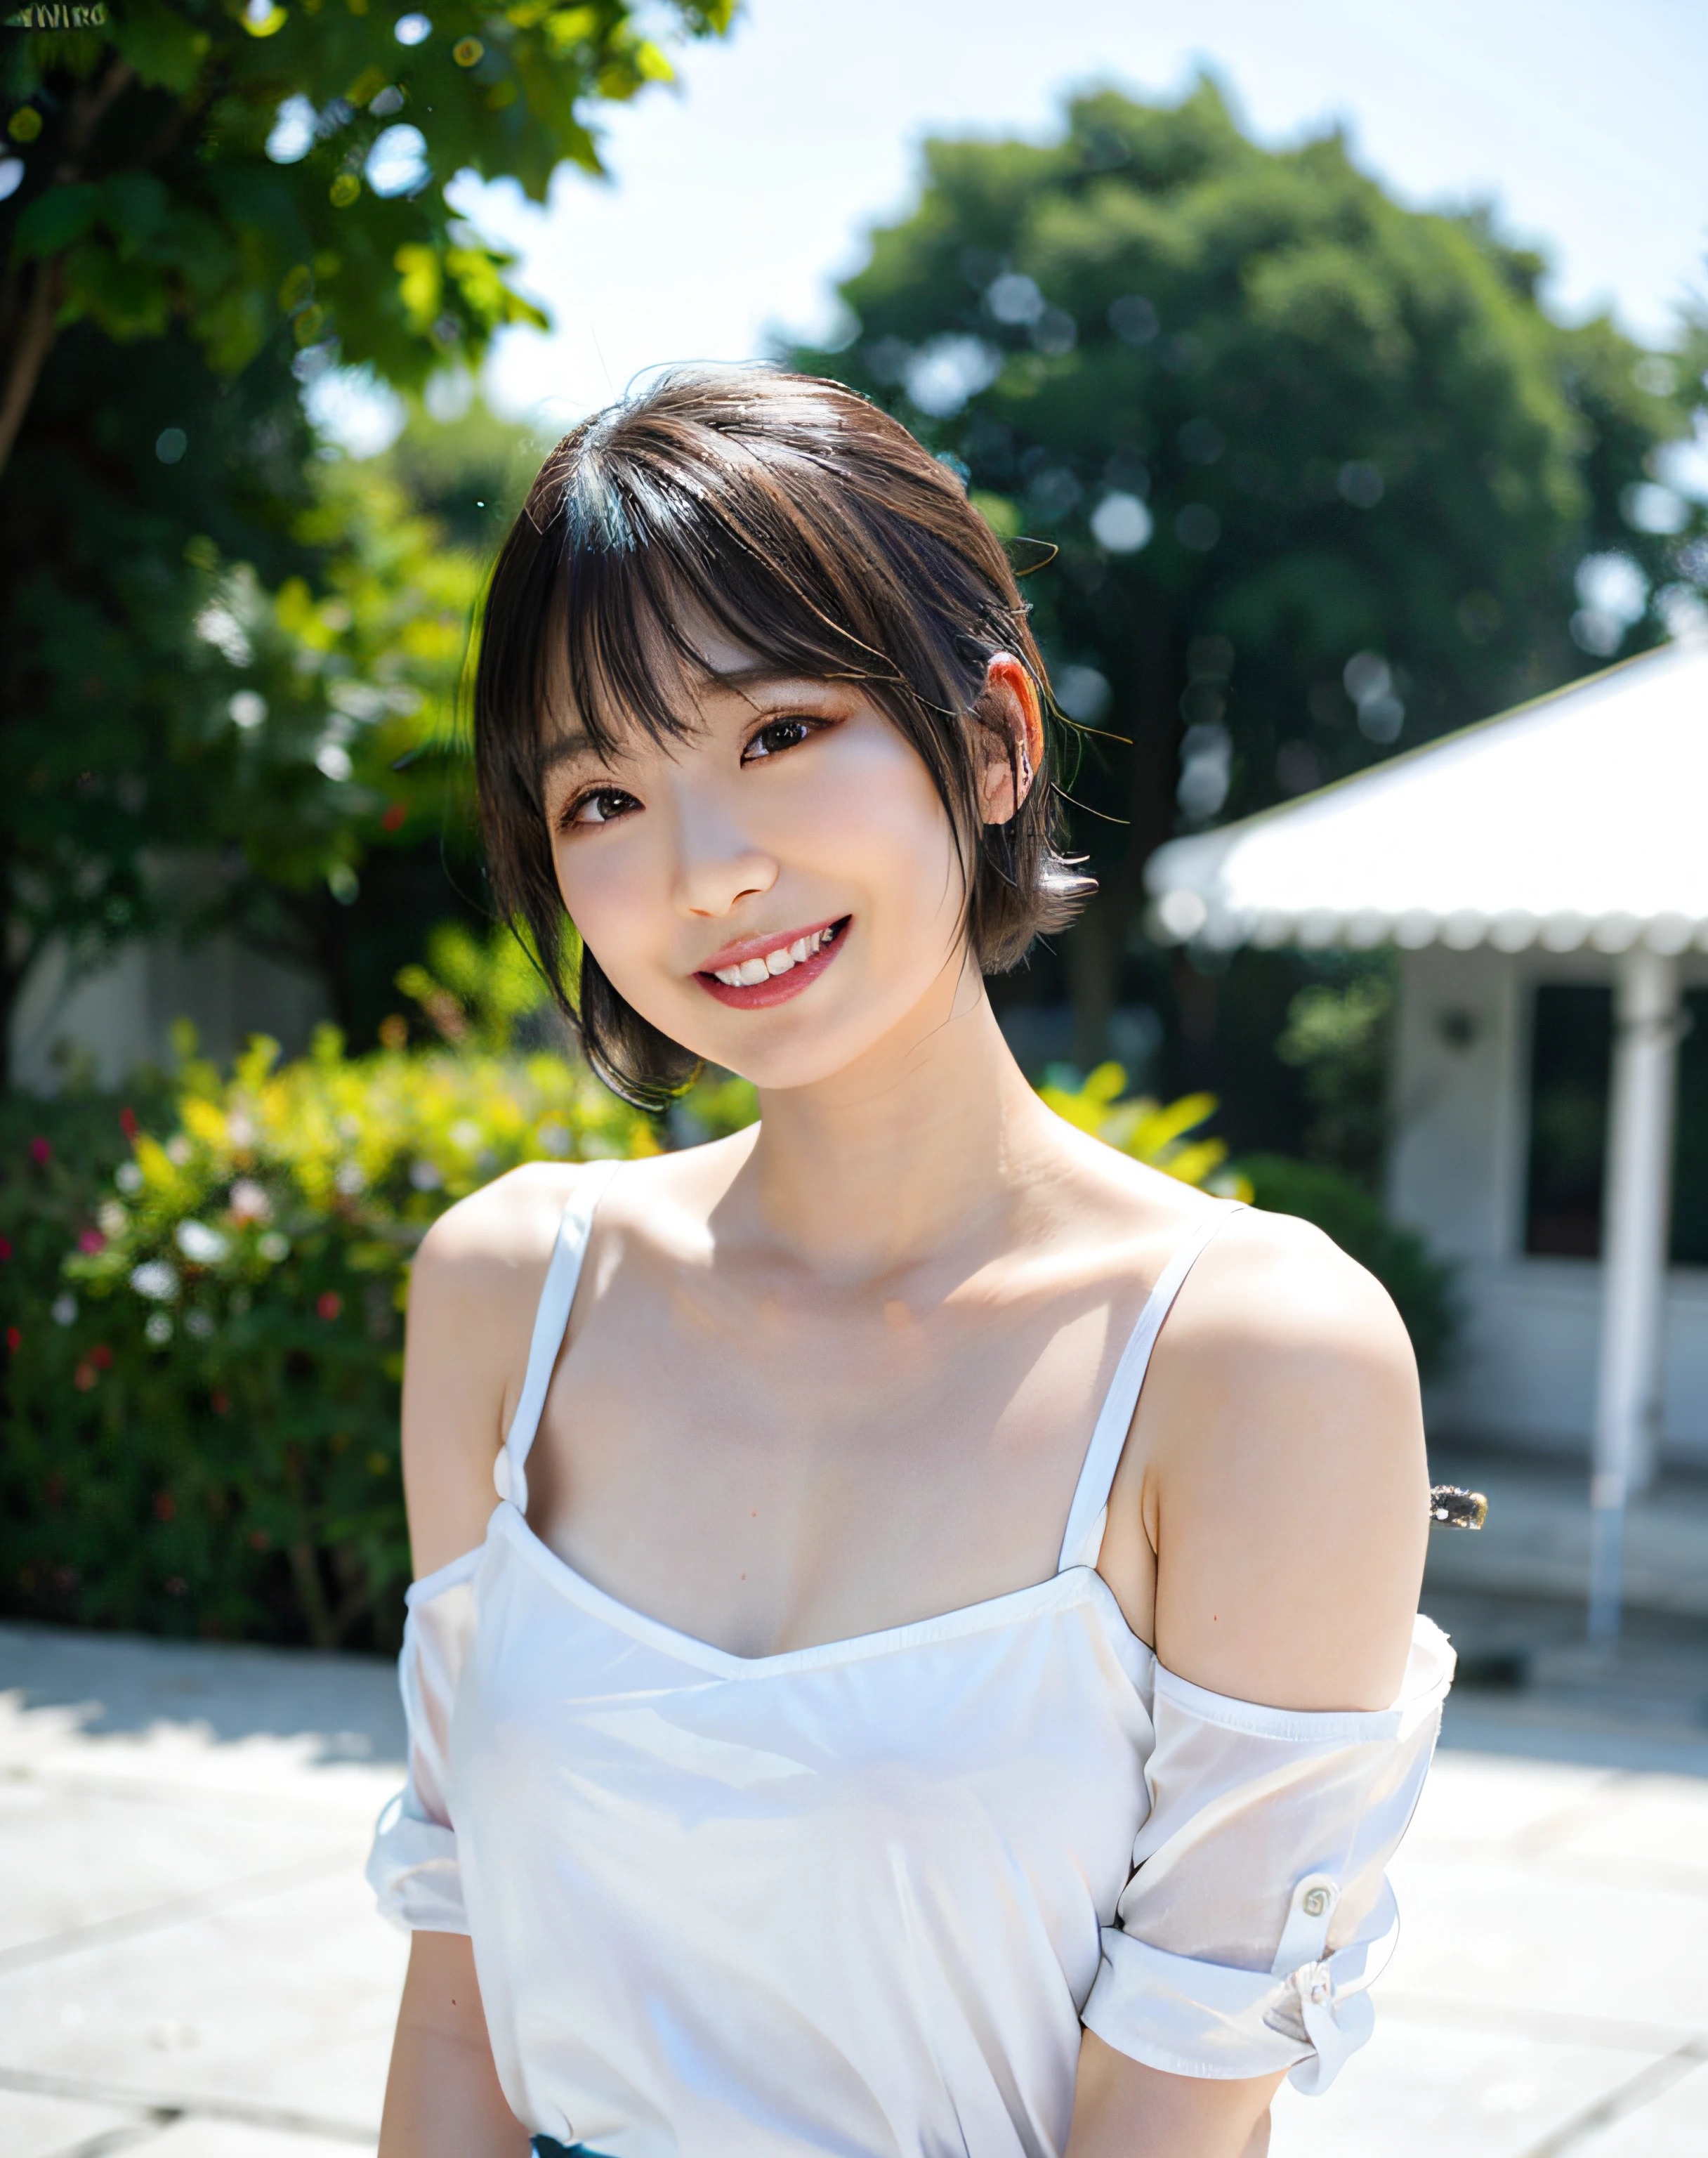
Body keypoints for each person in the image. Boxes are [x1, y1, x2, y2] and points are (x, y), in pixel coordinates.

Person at [367, 370, 1451, 2158]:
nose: (708, 870)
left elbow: (1178, 2120)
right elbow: (454, 2012)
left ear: (997, 740)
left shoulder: (1250, 1357)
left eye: (780, 731)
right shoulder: (511, 1294)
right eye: (601, 801)